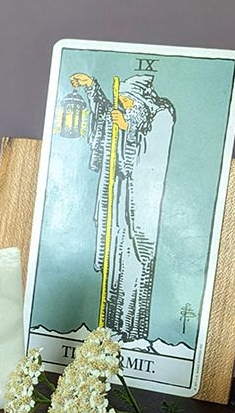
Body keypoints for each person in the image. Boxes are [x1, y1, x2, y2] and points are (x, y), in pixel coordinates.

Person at [69, 72, 176, 342]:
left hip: (138, 208)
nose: (124, 107)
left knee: (132, 267)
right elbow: (107, 114)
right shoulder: (129, 114)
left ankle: (130, 332)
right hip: (117, 205)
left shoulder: (161, 116)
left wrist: (128, 132)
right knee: (115, 265)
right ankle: (111, 329)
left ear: (141, 101)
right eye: (123, 101)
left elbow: (151, 158)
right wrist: (92, 86)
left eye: (128, 101)